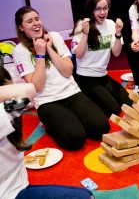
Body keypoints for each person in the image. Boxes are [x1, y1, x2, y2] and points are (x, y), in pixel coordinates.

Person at [13, 6, 110, 150]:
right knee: (75, 139)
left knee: (101, 128)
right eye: (29, 21)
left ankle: (71, 120)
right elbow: (37, 86)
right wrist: (40, 54)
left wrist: (49, 48)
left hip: (72, 93)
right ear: (21, 27)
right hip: (48, 102)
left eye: (37, 19)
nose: (36, 23)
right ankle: (49, 125)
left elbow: (68, 71)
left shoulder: (55, 37)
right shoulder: (19, 51)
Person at [0, 66, 93, 199]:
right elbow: (28, 90)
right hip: (10, 194)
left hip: (16, 185)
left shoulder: (6, 111)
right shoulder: (3, 114)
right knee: (86, 197)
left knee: (87, 193)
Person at [70, 0, 132, 117]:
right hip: (86, 77)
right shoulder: (82, 26)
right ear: (91, 10)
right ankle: (85, 98)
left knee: (129, 103)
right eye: (98, 9)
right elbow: (79, 55)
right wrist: (85, 34)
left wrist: (118, 33)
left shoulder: (110, 24)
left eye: (105, 8)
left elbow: (116, 52)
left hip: (103, 75)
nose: (102, 12)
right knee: (114, 109)